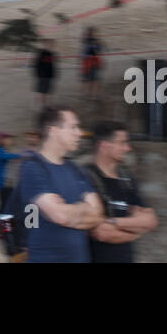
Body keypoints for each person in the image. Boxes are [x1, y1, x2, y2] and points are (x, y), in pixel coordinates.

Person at [13, 106, 102, 263]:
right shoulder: (32, 168)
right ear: (53, 131)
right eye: (73, 127)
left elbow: (97, 215)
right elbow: (60, 215)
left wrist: (69, 212)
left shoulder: (76, 169)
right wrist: (84, 208)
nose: (79, 133)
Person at [83, 121, 159, 262]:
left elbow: (150, 221)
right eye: (122, 143)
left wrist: (112, 222)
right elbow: (102, 233)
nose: (128, 148)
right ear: (104, 146)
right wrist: (136, 229)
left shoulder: (127, 179)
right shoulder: (85, 178)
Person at [33, 38, 56, 109]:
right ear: (45, 45)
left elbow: (52, 65)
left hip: (49, 76)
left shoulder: (51, 54)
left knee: (48, 91)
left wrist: (53, 74)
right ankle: (41, 105)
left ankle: (47, 105)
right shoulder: (41, 53)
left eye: (52, 45)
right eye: (49, 44)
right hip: (42, 76)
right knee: (42, 92)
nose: (51, 46)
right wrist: (39, 74)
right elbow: (37, 64)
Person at [81, 28, 103, 102]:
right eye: (92, 33)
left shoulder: (95, 41)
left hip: (94, 63)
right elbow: (84, 53)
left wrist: (98, 45)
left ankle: (94, 95)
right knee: (89, 80)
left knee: (96, 80)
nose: (93, 34)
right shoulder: (86, 42)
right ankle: (88, 95)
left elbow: (99, 50)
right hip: (88, 63)